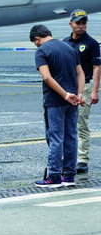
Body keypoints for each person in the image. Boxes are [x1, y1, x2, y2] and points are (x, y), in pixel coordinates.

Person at [31, 24, 84, 188]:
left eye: (35, 42)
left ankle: (54, 176)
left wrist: (64, 94)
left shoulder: (42, 51)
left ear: (37, 38)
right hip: (73, 100)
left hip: (55, 100)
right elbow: (80, 73)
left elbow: (47, 77)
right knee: (71, 137)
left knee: (56, 138)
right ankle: (69, 175)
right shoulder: (69, 48)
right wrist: (78, 94)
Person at [63, 9, 100, 174]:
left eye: (84, 23)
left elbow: (97, 67)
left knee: (81, 123)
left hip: (84, 87)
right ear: (71, 24)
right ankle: (67, 156)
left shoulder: (91, 43)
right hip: (67, 86)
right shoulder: (65, 43)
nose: (81, 26)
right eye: (78, 23)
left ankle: (82, 159)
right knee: (65, 123)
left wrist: (95, 91)